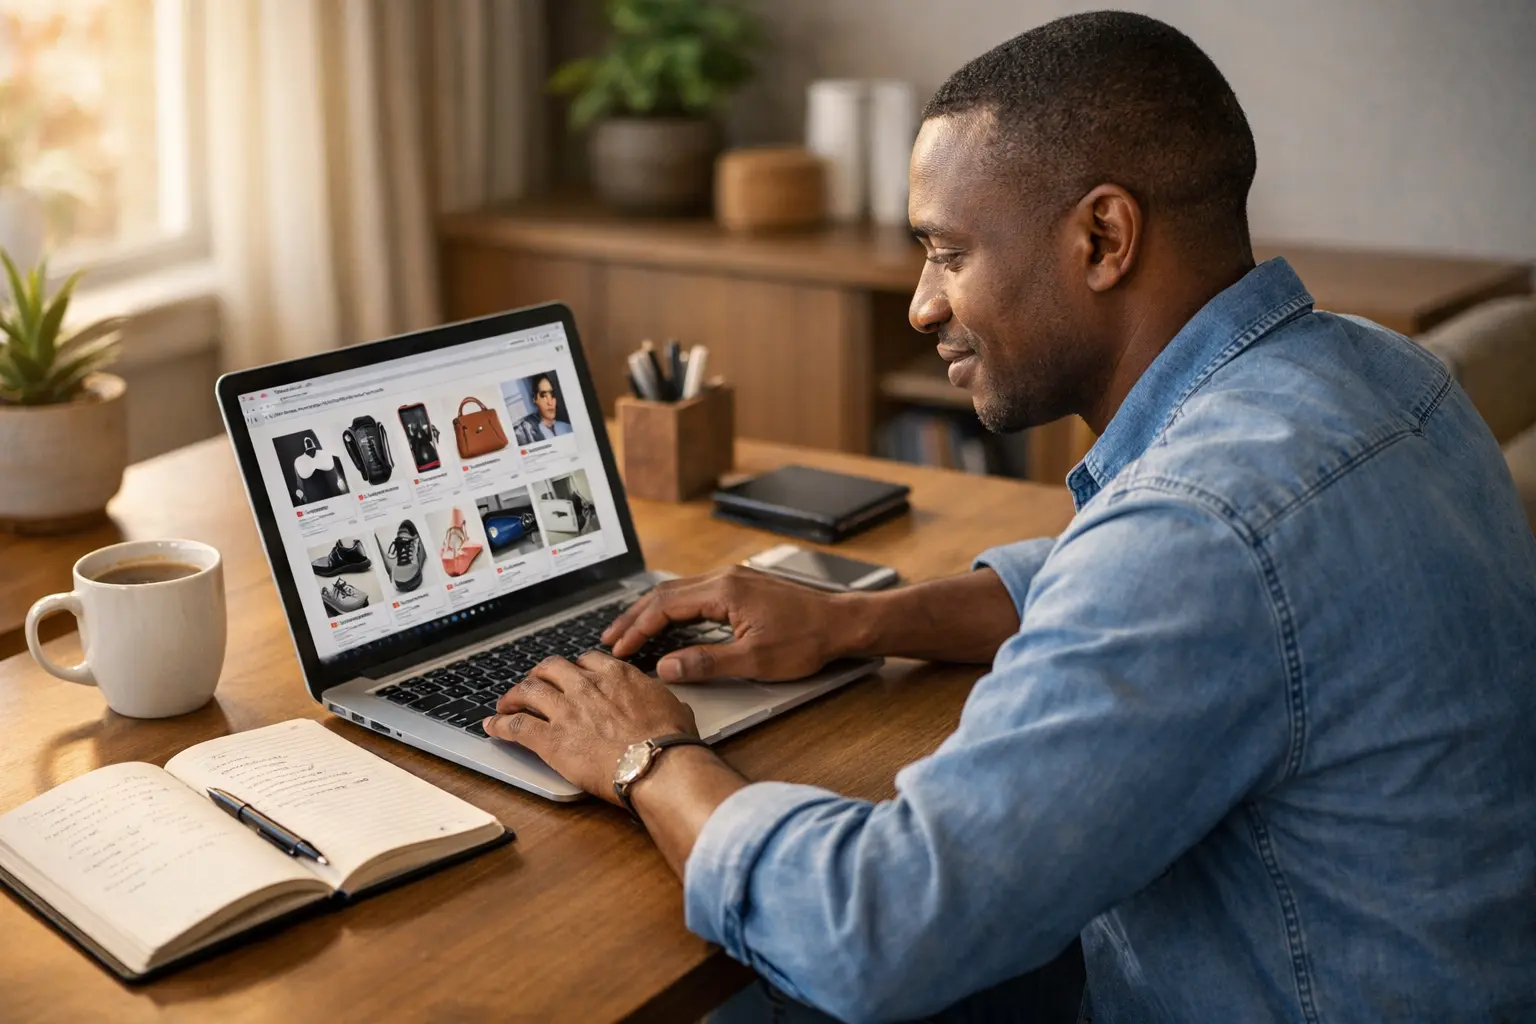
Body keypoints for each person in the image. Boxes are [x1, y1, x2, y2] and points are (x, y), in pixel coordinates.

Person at [483, 11, 1536, 1023]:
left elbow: (875, 929)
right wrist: (858, 620)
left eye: (948, 251)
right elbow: (1166, 585)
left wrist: (645, 755)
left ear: (1103, 237)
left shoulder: (1197, 531)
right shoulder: (1380, 372)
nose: (922, 304)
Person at [513, 374, 573, 444]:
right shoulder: (525, 432)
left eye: (552, 395)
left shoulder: (568, 428)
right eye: (543, 396)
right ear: (535, 399)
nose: (550, 402)